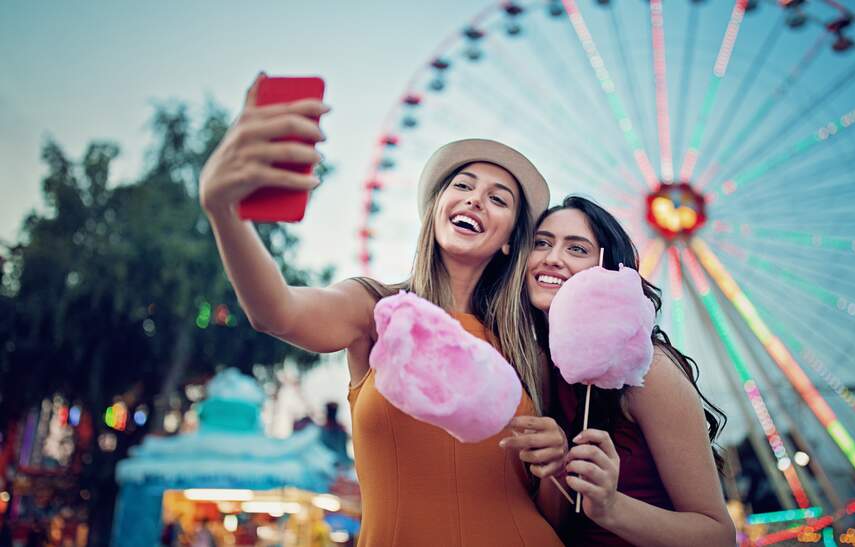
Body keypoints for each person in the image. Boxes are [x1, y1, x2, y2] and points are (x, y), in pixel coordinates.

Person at [199, 74, 562, 546]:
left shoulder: (528, 349)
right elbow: (277, 311)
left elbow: (552, 510)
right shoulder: (376, 309)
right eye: (464, 185)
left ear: (513, 238)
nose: (476, 198)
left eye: (498, 199)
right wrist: (224, 212)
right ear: (436, 208)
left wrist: (557, 461)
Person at [501, 196, 735, 546]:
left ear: (607, 268)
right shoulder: (536, 367)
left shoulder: (648, 371)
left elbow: (718, 536)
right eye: (541, 243)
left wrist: (611, 507)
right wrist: (558, 471)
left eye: (576, 249)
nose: (553, 258)